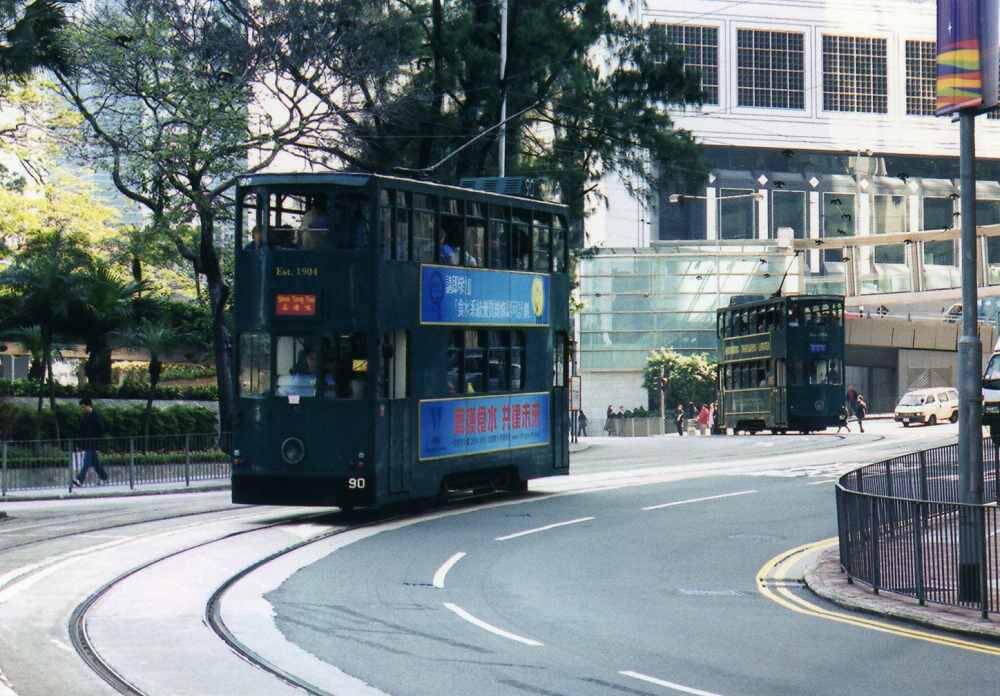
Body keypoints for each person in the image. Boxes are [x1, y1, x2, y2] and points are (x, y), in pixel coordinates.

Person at [72, 397, 108, 488]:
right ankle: (104, 478)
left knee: (87, 462)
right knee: (96, 463)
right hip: (87, 443)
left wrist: (96, 438)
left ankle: (79, 480)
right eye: (82, 407)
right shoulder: (85, 417)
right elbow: (81, 431)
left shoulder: (96, 416)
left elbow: (101, 429)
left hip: (93, 443)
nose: (82, 409)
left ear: (89, 406)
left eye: (83, 407)